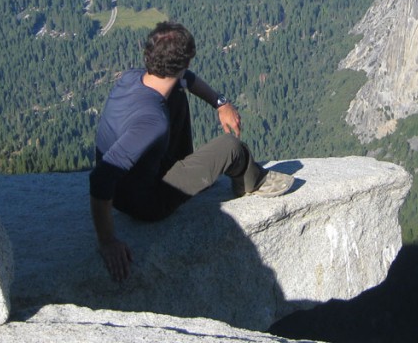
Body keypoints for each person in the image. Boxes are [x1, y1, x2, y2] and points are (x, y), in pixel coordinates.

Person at [89, 21, 294, 281]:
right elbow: (101, 178)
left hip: (139, 178)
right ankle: (252, 180)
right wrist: (107, 241)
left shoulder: (133, 77)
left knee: (176, 93)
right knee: (231, 148)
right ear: (185, 62)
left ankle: (188, 170)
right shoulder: (152, 122)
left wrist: (221, 103)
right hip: (145, 203)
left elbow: (185, 79)